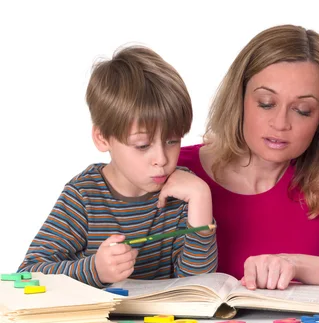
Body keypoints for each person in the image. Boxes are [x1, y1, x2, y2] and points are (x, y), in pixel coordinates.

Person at [178, 24, 319, 290]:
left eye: (302, 110)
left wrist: (295, 264)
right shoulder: (176, 169)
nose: (280, 123)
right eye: (266, 103)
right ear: (238, 99)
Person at [19, 46, 217, 287]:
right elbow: (27, 275)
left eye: (172, 141)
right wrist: (95, 270)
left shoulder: (184, 191)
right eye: (142, 145)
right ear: (103, 138)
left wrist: (201, 201)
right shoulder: (84, 195)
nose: (161, 159)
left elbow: (197, 288)